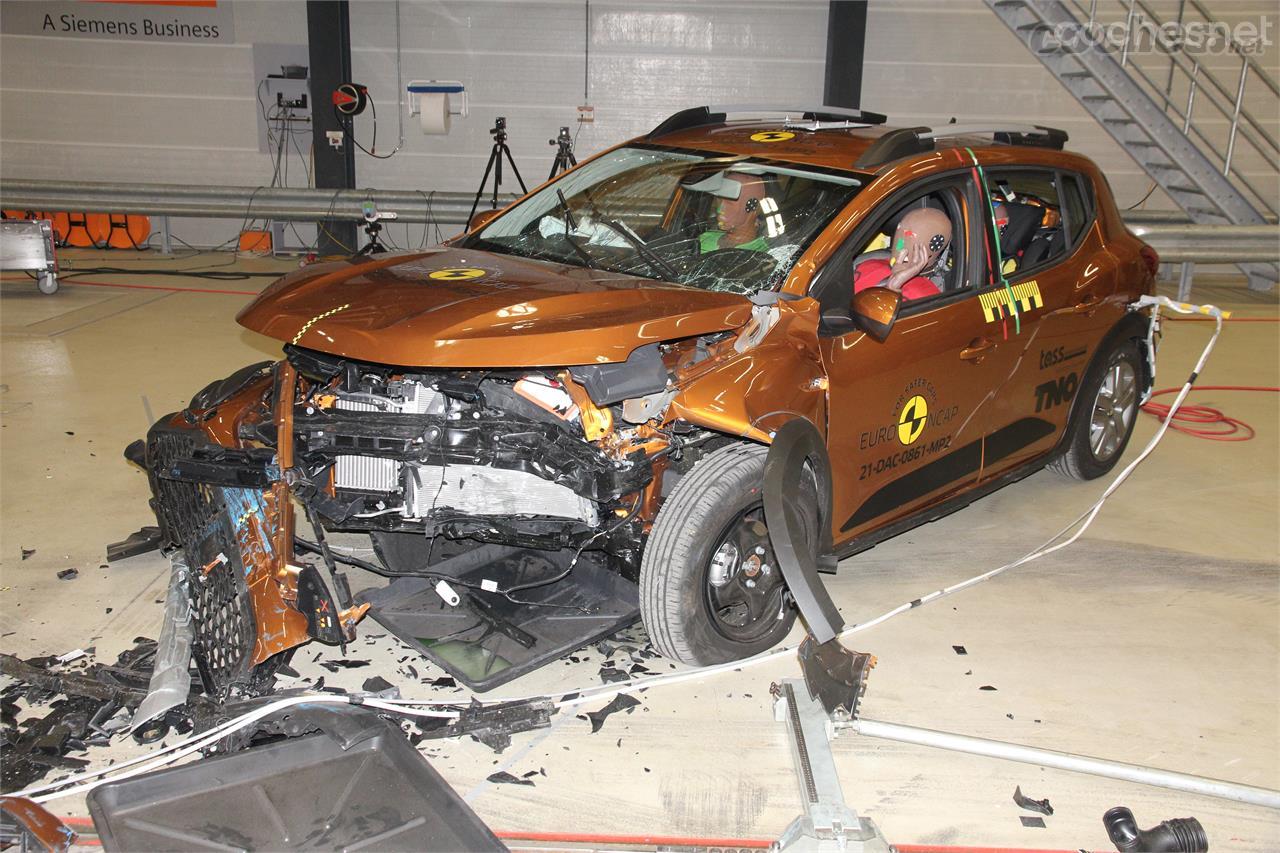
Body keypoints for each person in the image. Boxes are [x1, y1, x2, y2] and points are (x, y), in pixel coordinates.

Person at [853, 207, 951, 300]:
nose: (901, 244)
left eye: (910, 236)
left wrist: (893, 286)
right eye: (900, 230)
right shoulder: (867, 264)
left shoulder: (867, 263)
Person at [699, 174, 771, 254]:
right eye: (719, 200)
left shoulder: (761, 256)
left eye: (729, 203)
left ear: (752, 207)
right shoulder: (704, 238)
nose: (719, 209)